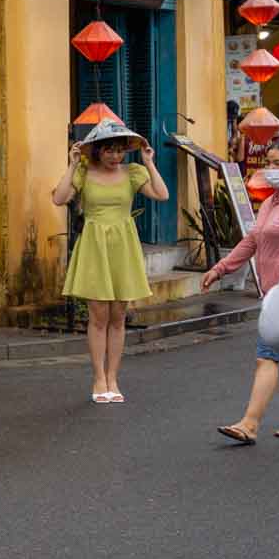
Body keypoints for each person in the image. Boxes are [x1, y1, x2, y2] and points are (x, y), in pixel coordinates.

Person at [52, 116, 169, 405]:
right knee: (98, 316)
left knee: (118, 317)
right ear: (97, 150)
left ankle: (114, 378)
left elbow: (162, 194)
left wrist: (150, 162)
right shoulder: (83, 170)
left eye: (119, 150)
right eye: (109, 150)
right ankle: (98, 378)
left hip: (123, 245)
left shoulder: (133, 172)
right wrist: (71, 164)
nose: (115, 156)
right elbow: (59, 198)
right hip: (94, 244)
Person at [203, 139, 279, 443]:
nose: (270, 169)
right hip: (273, 293)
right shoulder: (272, 202)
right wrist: (220, 268)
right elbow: (252, 241)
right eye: (268, 163)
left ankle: (249, 423)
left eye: (278, 164)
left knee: (267, 355)